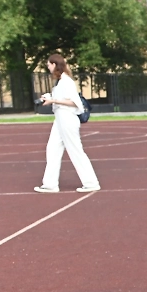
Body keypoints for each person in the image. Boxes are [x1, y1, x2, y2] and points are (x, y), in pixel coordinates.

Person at [34, 54, 100, 193]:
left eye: (49, 65)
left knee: (75, 150)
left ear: (54, 64)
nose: (48, 67)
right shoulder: (59, 82)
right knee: (52, 149)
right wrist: (50, 98)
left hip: (67, 118)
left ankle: (91, 182)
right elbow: (62, 98)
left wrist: (53, 101)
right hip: (59, 119)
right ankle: (50, 184)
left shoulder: (66, 81)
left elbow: (75, 103)